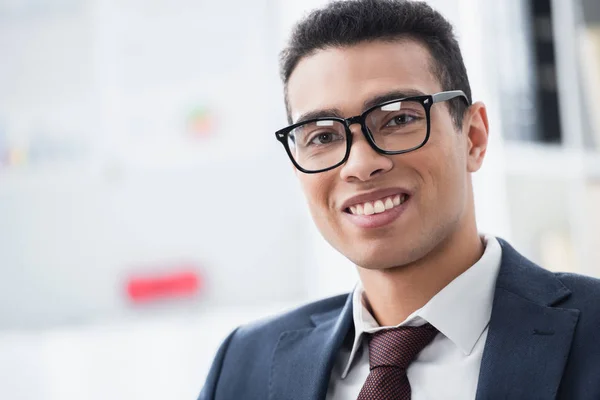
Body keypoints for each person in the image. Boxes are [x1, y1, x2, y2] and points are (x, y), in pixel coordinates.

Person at [199, 1, 600, 399]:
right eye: (322, 136)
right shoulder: (245, 364)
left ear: (473, 138)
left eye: (398, 119)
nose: (360, 165)